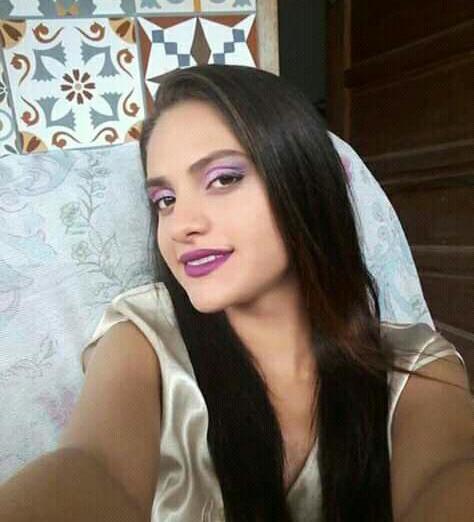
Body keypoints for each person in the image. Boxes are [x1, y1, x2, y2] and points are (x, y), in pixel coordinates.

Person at [0, 65, 471, 522]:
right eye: (165, 200)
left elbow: (446, 477)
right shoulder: (144, 337)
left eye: (223, 179)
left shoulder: (416, 367)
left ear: (302, 180)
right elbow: (95, 466)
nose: (181, 225)